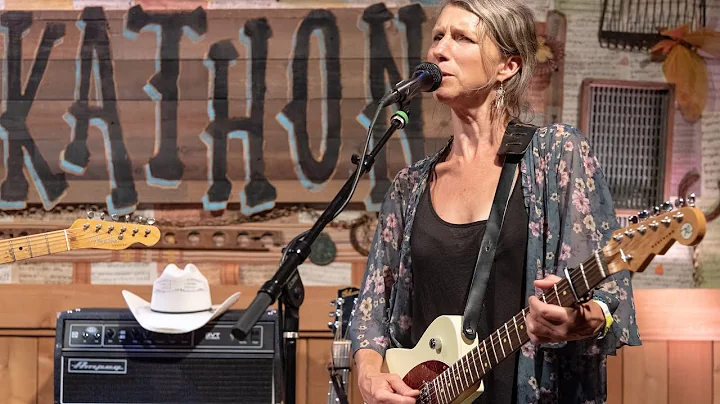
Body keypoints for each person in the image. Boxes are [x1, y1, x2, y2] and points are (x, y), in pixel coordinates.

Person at [348, 0, 641, 403]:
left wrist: (577, 321)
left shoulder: (557, 154)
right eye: (438, 36)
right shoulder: (410, 185)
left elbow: (610, 296)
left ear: (508, 66)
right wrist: (368, 376)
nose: (439, 50)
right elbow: (372, 310)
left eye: (462, 37)